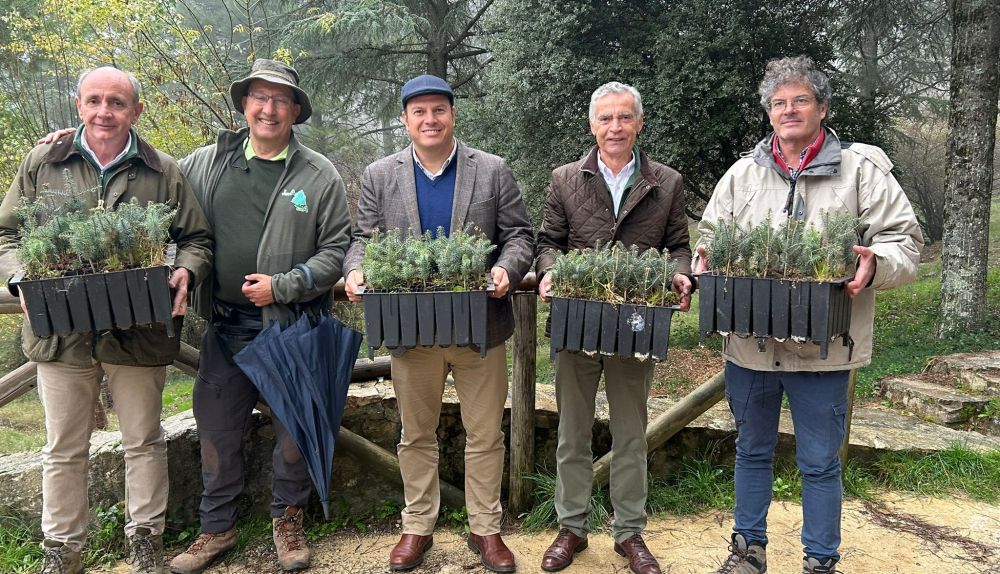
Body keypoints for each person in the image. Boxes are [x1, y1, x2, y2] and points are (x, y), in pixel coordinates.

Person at [695, 56, 923, 574]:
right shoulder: (742, 174)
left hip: (824, 348)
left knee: (820, 462)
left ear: (822, 107)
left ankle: (821, 561)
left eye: (800, 100)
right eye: (779, 103)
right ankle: (747, 550)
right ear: (769, 113)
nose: (789, 110)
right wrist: (705, 260)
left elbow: (905, 243)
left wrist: (876, 264)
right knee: (752, 451)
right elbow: (708, 238)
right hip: (750, 344)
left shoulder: (862, 170)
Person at [0, 66, 213, 574]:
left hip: (137, 332)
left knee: (144, 441)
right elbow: (6, 235)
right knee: (62, 448)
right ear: (78, 105)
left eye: (116, 103)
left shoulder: (164, 169)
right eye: (94, 100)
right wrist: (19, 280)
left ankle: (145, 546)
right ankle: (62, 551)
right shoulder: (42, 160)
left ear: (136, 111)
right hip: (61, 333)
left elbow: (197, 239)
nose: (104, 112)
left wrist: (186, 269)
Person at [343, 74, 534, 573]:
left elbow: (518, 236)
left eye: (439, 110)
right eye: (419, 112)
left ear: (453, 114)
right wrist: (356, 269)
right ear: (405, 119)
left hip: (481, 327)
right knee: (415, 433)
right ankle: (417, 526)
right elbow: (362, 239)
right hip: (412, 331)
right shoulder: (380, 175)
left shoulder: (491, 170)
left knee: (486, 433)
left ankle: (485, 529)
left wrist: (506, 269)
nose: (430, 120)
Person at [167, 59, 351, 574]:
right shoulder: (205, 163)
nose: (269, 109)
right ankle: (216, 528)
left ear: (295, 110)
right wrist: (73, 144)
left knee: (295, 434)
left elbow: (336, 248)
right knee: (217, 434)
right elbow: (161, 199)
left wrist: (284, 285)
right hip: (224, 329)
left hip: (293, 329)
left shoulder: (319, 174)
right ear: (244, 104)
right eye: (259, 98)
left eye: (280, 100)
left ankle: (288, 521)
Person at [534, 81, 693, 574]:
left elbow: (679, 245)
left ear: (639, 123)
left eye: (625, 117)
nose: (615, 127)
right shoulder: (564, 179)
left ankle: (630, 533)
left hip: (636, 324)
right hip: (578, 320)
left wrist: (680, 274)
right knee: (573, 431)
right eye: (606, 118)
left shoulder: (667, 181)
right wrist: (549, 271)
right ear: (592, 126)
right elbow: (547, 242)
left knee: (630, 433)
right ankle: (572, 528)